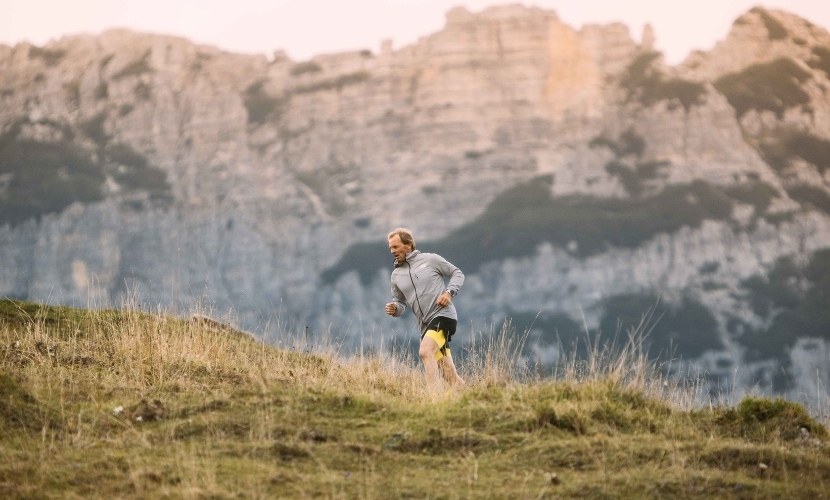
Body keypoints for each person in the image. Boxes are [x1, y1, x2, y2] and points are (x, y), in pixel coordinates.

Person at [385, 227, 465, 391]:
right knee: (449, 374)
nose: (392, 251)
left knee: (425, 351)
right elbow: (400, 304)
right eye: (390, 248)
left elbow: (457, 273)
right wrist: (395, 309)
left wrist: (449, 293)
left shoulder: (430, 260)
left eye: (396, 246)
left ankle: (434, 400)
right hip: (425, 326)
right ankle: (474, 397)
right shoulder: (396, 275)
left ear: (409, 245)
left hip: (444, 316)